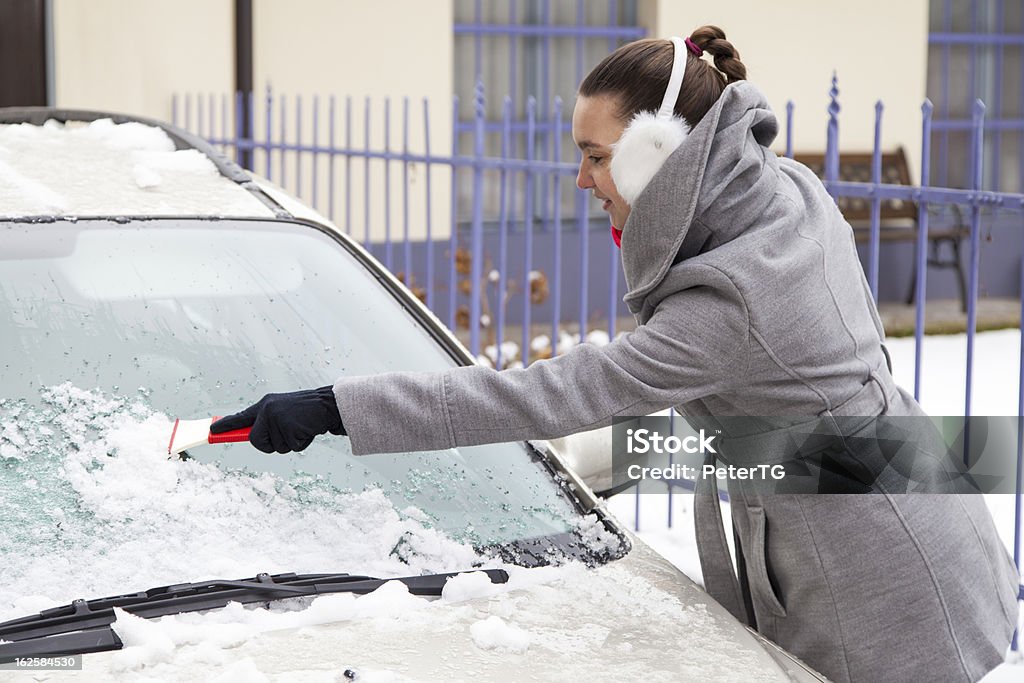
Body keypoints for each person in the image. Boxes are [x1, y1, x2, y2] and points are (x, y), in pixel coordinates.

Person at [211, 26, 1019, 682]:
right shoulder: (775, 191)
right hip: (910, 488)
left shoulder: (729, 301)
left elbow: (547, 391)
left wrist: (335, 406)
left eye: (597, 156)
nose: (580, 178)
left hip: (870, 579)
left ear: (662, 156)